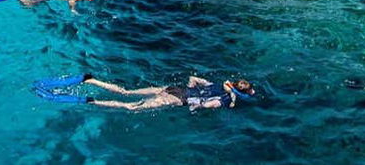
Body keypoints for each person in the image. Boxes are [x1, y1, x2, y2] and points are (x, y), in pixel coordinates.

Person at [79, 74, 255, 111]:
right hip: (178, 99)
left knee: (126, 92)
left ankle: (92, 80)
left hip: (173, 89)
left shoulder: (214, 83)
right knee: (131, 107)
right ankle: (91, 101)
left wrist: (191, 89)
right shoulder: (222, 100)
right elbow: (208, 104)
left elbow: (193, 78)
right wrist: (198, 107)